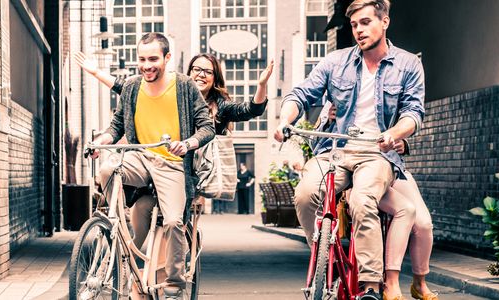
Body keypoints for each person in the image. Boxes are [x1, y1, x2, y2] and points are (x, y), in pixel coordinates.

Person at [273, 0, 425, 298]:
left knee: (363, 199)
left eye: (366, 22)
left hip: (376, 152)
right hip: (335, 150)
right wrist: (284, 120)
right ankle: (320, 252)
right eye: (354, 25)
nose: (358, 30)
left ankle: (370, 286)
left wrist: (393, 134)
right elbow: (301, 94)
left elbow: (413, 113)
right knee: (305, 194)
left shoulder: (408, 64)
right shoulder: (335, 62)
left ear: (385, 22)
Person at [76, 51, 273, 243]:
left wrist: (262, 84)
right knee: (142, 207)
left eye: (208, 72)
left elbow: (251, 110)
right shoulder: (175, 95)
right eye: (196, 69)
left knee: (171, 223)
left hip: (189, 172)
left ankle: (171, 265)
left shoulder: (220, 106)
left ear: (215, 78)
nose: (201, 75)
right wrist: (96, 73)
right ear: (189, 72)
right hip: (156, 163)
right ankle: (127, 258)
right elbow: (127, 89)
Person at [91, 32, 215, 300]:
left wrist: (189, 143)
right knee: (106, 169)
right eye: (142, 59)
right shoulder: (132, 87)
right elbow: (116, 127)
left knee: (172, 222)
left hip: (171, 163)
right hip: (139, 156)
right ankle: (115, 222)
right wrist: (101, 141)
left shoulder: (184, 87)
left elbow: (207, 127)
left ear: (167, 58)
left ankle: (174, 285)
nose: (147, 65)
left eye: (153, 59)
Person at [319, 103, 437, 300]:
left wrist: (403, 144)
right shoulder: (339, 94)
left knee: (424, 224)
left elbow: (409, 123)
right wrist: (328, 121)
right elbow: (320, 137)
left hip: (393, 170)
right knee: (400, 209)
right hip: (359, 174)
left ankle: (419, 282)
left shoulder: (391, 91)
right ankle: (390, 282)